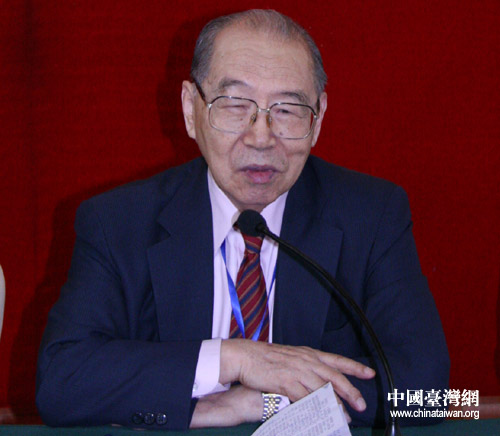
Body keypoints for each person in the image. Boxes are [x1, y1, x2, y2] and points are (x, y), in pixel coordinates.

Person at [36, 9, 449, 430]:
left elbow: (432, 397)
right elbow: (60, 381)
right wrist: (235, 360)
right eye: (235, 105)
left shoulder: (372, 214)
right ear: (190, 109)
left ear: (318, 118)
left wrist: (267, 403)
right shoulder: (117, 222)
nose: (261, 137)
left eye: (287, 110)